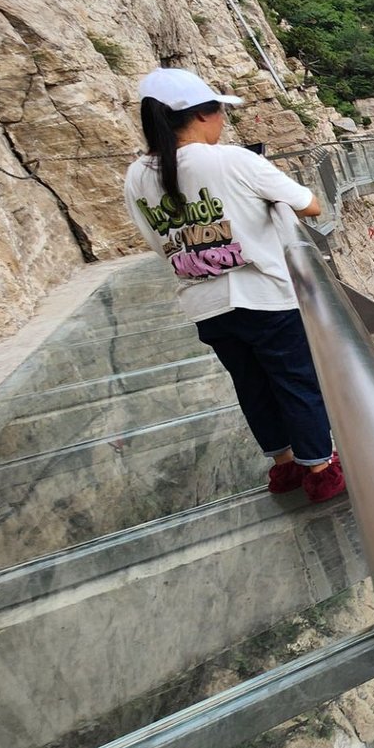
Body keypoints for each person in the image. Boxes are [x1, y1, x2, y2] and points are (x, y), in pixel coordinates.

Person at [123, 67, 345, 502]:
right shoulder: (233, 160)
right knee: (294, 380)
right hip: (262, 295)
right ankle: (319, 468)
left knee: (250, 383)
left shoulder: (136, 177)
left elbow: (156, 242)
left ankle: (283, 468)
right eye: (220, 111)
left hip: (204, 303)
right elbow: (311, 205)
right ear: (202, 114)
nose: (223, 120)